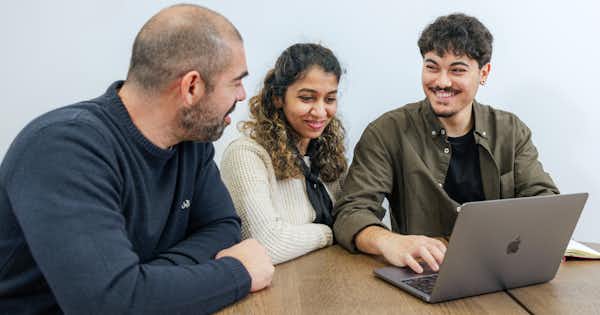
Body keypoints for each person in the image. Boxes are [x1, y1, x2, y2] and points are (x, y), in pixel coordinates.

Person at [0, 4, 274, 314]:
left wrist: (149, 278)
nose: (242, 96)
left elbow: (222, 226)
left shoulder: (191, 144)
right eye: (236, 82)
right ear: (192, 87)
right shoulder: (61, 149)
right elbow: (110, 305)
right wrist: (237, 273)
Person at [333, 13, 558, 274]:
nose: (441, 81)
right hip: (424, 273)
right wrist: (390, 242)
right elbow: (350, 213)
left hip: (501, 270)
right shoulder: (386, 131)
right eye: (432, 67)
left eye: (457, 70)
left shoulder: (511, 130)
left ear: (484, 72)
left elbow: (545, 201)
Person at [220, 43, 347, 264]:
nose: (320, 112)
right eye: (307, 98)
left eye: (329, 99)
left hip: (332, 281)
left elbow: (358, 220)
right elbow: (268, 245)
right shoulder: (246, 156)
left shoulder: (329, 155)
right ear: (278, 97)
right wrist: (332, 232)